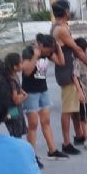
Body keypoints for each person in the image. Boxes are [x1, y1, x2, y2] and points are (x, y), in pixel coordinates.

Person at [51, 0, 87, 154]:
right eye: (68, 9)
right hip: (66, 72)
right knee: (68, 109)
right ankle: (66, 143)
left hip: (68, 69)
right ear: (66, 11)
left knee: (75, 107)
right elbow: (76, 49)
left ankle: (79, 134)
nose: (70, 12)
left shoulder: (60, 26)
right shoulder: (61, 29)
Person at [22, 33, 68, 162]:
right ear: (41, 46)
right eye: (48, 50)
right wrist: (36, 56)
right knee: (33, 124)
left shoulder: (47, 53)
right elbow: (26, 71)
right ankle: (32, 155)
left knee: (46, 121)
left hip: (43, 90)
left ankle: (52, 150)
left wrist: (58, 48)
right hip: (30, 92)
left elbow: (61, 62)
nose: (49, 53)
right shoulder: (29, 51)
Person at [0, 53, 28, 141]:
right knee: (16, 135)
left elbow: (18, 89)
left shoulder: (9, 77)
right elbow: (16, 100)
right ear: (15, 67)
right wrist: (25, 96)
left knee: (14, 134)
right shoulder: (12, 80)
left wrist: (22, 92)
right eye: (21, 63)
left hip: (9, 111)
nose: (23, 64)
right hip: (14, 111)